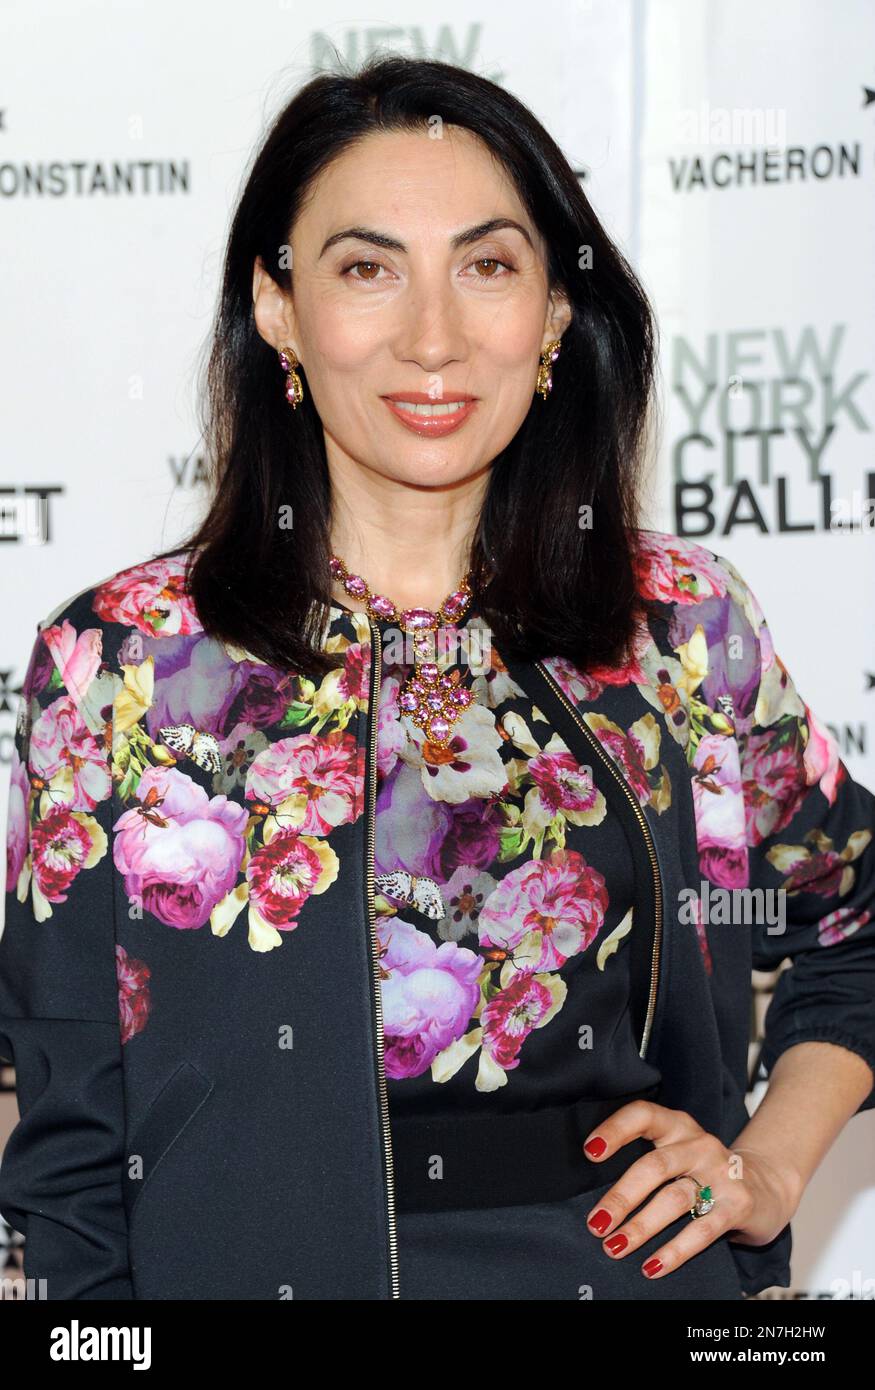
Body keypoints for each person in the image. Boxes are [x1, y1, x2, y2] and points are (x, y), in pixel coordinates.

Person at [2, 54, 874, 1302]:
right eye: (366, 268)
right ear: (277, 307)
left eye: (487, 265)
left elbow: (855, 920)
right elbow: (71, 1143)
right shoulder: (124, 665)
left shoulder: (679, 627)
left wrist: (767, 1171)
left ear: (556, 315)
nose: (432, 336)